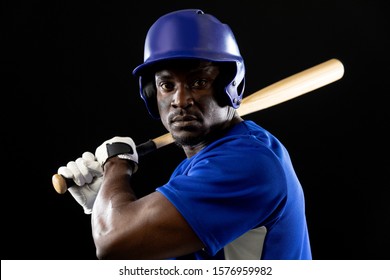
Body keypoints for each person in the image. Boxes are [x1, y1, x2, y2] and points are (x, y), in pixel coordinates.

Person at [57, 9, 312, 260]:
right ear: (151, 93)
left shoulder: (247, 164)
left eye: (198, 82)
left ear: (231, 85)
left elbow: (112, 242)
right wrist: (108, 201)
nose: (180, 100)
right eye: (167, 85)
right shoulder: (199, 166)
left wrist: (116, 167)